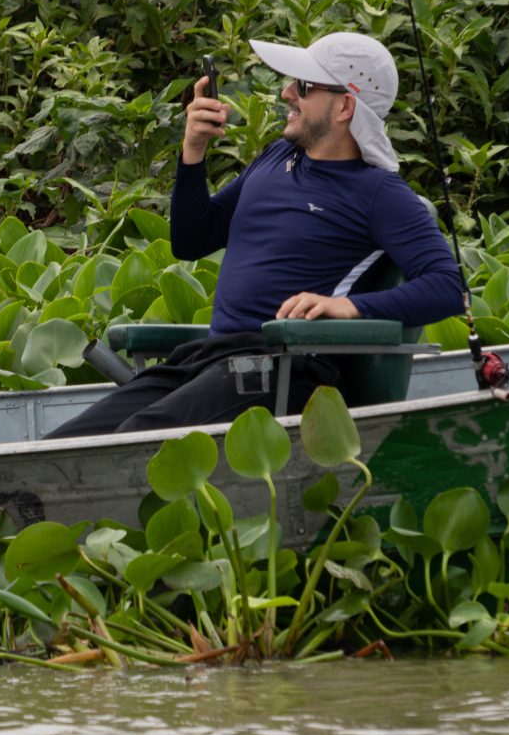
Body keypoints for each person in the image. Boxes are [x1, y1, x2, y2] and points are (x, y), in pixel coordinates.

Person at [48, 31, 463, 437]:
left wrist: (348, 307)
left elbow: (448, 286)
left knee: (136, 438)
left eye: (302, 86)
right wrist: (192, 153)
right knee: (66, 442)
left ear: (344, 107)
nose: (286, 94)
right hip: (210, 360)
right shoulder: (279, 156)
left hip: (281, 371)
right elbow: (194, 240)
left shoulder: (380, 193)